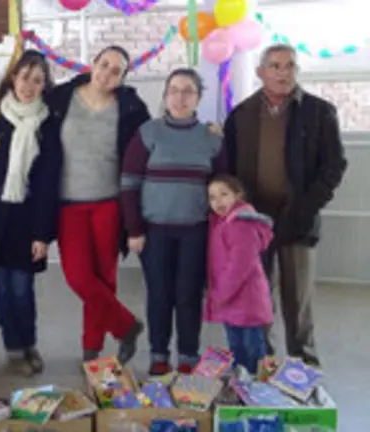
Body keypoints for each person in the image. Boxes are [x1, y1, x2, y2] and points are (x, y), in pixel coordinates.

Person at [223, 44, 347, 366]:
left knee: (298, 302)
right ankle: (263, 364)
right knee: (258, 298)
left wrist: (308, 206)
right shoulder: (241, 115)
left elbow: (334, 166)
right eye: (275, 66)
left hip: (298, 221)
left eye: (290, 66)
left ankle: (304, 369)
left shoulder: (320, 112)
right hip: (254, 223)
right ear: (260, 72)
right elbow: (228, 169)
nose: (283, 72)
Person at [47, 45, 150, 364]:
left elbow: (149, 145)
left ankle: (91, 349)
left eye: (116, 70)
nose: (107, 73)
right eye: (104, 64)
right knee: (78, 276)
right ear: (92, 63)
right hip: (69, 204)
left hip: (109, 204)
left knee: (105, 278)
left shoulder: (131, 107)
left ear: (122, 78)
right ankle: (126, 326)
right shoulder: (61, 99)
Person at [121, 68, 227, 375]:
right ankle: (158, 353)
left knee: (189, 294)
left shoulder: (211, 138)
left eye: (188, 91)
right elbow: (129, 183)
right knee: (159, 294)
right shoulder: (148, 133)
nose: (180, 97)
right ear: (165, 96)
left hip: (196, 232)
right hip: (154, 233)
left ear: (198, 98)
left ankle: (188, 355)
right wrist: (134, 229)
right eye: (174, 90)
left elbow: (224, 188)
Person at [0, 50, 62, 376]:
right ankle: (12, 347)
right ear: (13, 78)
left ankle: (29, 343)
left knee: (22, 288)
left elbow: (48, 182)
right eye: (25, 77)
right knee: (1, 288)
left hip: (28, 218)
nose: (29, 85)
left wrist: (42, 233)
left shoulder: (49, 124)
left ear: (45, 85)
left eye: (37, 80)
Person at [204, 175, 274, 374]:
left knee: (253, 347)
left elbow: (240, 265)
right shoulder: (221, 223)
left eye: (224, 195)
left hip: (245, 299)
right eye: (212, 197)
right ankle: (242, 381)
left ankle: (258, 384)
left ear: (238, 195)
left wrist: (221, 294)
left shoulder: (241, 224)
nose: (218, 202)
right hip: (231, 301)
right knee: (237, 348)